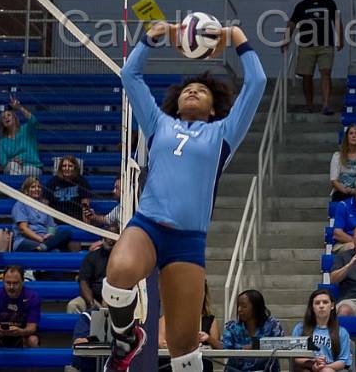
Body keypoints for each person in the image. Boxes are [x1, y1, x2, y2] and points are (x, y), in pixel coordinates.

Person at [101, 22, 265, 372]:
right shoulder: (158, 124)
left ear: (212, 107)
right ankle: (126, 336)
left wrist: (235, 36)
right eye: (187, 89)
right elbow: (130, 75)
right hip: (148, 226)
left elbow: (258, 82)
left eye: (201, 91)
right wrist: (152, 37)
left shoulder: (224, 132)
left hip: (188, 241)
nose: (193, 92)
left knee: (184, 350)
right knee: (117, 277)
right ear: (176, 101)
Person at [282, 0, 343, 115]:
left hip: (325, 45)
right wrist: (286, 40)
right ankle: (309, 104)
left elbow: (337, 21)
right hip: (306, 46)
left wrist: (340, 38)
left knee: (326, 73)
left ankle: (326, 105)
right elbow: (291, 24)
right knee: (306, 76)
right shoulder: (301, 5)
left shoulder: (330, 3)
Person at [158, 282, 222, 372]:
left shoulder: (209, 319)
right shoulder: (167, 318)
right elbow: (161, 343)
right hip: (171, 365)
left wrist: (208, 338)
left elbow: (220, 348)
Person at [221, 289, 285, 372]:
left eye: (244, 306)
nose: (239, 309)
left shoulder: (273, 325)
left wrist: (255, 346)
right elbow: (225, 347)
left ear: (256, 307)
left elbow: (281, 345)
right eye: (238, 306)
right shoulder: (232, 327)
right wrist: (210, 339)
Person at [292, 288, 352, 371]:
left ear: (332, 306)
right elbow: (296, 357)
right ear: (312, 307)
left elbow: (343, 361)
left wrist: (323, 368)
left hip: (331, 368)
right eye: (317, 303)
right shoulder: (300, 328)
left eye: (325, 302)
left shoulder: (342, 332)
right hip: (306, 368)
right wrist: (313, 363)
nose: (321, 306)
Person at [0, 265, 41, 348]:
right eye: (8, 283)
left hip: (22, 335)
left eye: (15, 283)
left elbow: (32, 327)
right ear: (3, 281)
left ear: (23, 281)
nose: (11, 287)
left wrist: (21, 332)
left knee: (33, 340)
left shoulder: (32, 297)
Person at [12, 176, 73, 252]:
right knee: (54, 250)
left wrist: (50, 234)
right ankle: (44, 247)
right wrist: (40, 239)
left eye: (39, 187)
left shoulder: (44, 206)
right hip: (25, 240)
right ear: (26, 191)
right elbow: (23, 229)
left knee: (66, 233)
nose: (37, 189)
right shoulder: (20, 204)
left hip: (44, 240)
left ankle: (42, 248)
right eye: (33, 187)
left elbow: (52, 226)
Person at [69, 224, 116, 314]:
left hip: (115, 300)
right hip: (94, 299)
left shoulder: (123, 258)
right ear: (103, 237)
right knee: (73, 305)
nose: (110, 239)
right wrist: (91, 303)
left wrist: (109, 299)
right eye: (108, 234)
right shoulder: (92, 256)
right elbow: (83, 281)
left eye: (113, 234)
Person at [0, 97, 42, 176]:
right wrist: (14, 160)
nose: (6, 118)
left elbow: (34, 121)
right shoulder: (2, 141)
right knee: (13, 166)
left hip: (31, 166)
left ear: (15, 118)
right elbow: (3, 162)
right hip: (12, 167)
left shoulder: (26, 129)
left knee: (26, 171)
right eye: (3, 118)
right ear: (2, 123)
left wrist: (19, 107)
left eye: (8, 115)